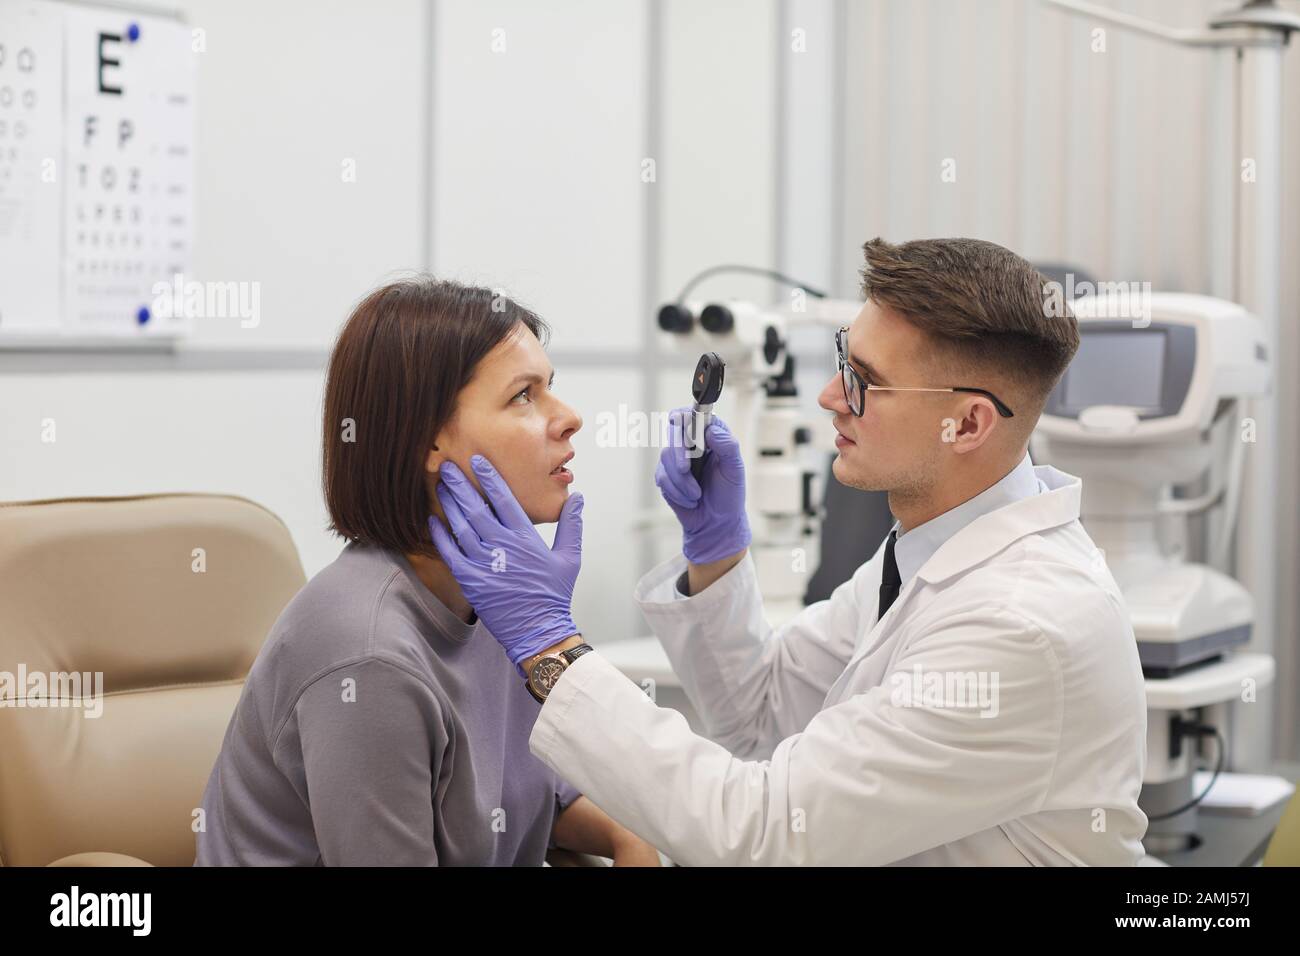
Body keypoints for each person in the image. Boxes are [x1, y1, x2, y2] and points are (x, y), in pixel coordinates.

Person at [431, 237, 1149, 866]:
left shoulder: (1021, 624)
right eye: (844, 359)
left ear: (966, 423)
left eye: (865, 382)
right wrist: (716, 553)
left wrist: (550, 646)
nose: (831, 397)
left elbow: (764, 833)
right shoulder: (927, 554)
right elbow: (759, 718)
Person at [195, 277, 659, 866]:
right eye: (523, 395)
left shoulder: (494, 596)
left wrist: (630, 839)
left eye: (552, 389)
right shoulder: (369, 656)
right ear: (427, 441)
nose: (569, 419)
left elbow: (540, 796)